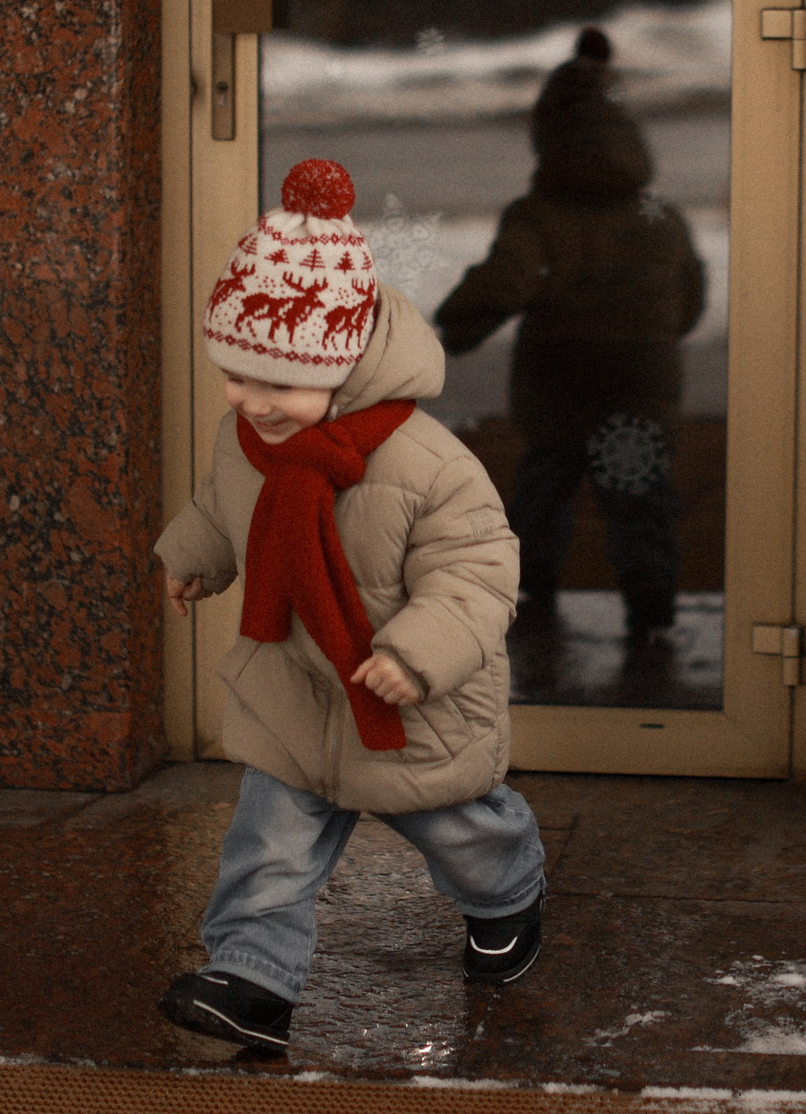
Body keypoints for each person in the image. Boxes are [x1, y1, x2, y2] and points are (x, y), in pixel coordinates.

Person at [155, 158, 545, 1057]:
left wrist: (416, 652)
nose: (253, 402)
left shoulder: (425, 462)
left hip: (408, 702)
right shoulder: (248, 438)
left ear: (346, 367)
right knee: (269, 842)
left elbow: (479, 570)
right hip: (294, 687)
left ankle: (510, 890)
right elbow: (226, 503)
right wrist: (194, 552)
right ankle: (251, 977)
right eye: (236, 377)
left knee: (457, 824)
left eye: (278, 383)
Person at [435, 27, 706, 689]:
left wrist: (453, 329)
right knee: (639, 498)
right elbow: (689, 294)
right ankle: (651, 613)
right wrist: (652, 339)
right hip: (638, 383)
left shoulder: (538, 215)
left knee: (543, 493)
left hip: (558, 384)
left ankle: (532, 598)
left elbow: (504, 281)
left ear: (548, 140)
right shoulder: (659, 214)